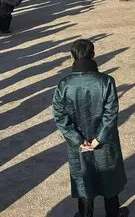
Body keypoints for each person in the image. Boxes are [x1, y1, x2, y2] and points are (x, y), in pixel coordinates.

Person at [53, 39, 129, 217]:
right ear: (93, 55)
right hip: (105, 141)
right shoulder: (107, 81)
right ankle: (113, 214)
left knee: (84, 179)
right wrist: (99, 139)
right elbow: (111, 114)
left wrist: (77, 139)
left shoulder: (64, 84)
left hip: (79, 144)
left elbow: (59, 115)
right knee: (109, 178)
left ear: (72, 57)